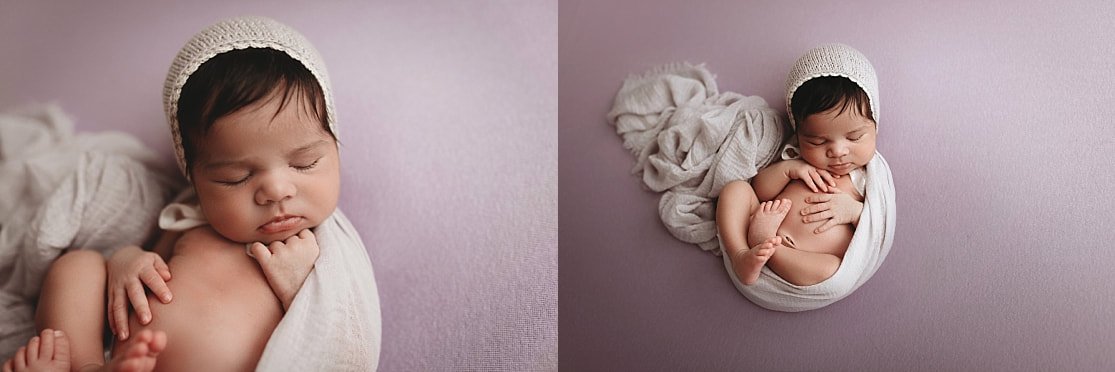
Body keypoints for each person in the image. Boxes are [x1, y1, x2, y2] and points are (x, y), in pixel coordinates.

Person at [2, 16, 342, 372]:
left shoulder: (320, 250)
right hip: (121, 356)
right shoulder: (192, 221)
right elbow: (151, 256)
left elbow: (340, 337)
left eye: (305, 163)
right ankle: (84, 365)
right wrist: (127, 261)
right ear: (194, 179)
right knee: (77, 265)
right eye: (234, 177)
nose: (275, 191)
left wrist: (298, 287)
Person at [717, 44, 880, 287]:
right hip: (763, 220)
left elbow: (876, 231)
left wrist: (853, 211)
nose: (837, 151)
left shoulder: (865, 178)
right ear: (799, 132)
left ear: (875, 124)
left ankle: (765, 246)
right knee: (735, 190)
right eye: (817, 141)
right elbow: (759, 191)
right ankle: (740, 254)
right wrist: (789, 170)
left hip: (806, 260)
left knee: (831, 269)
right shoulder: (796, 157)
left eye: (854, 138)